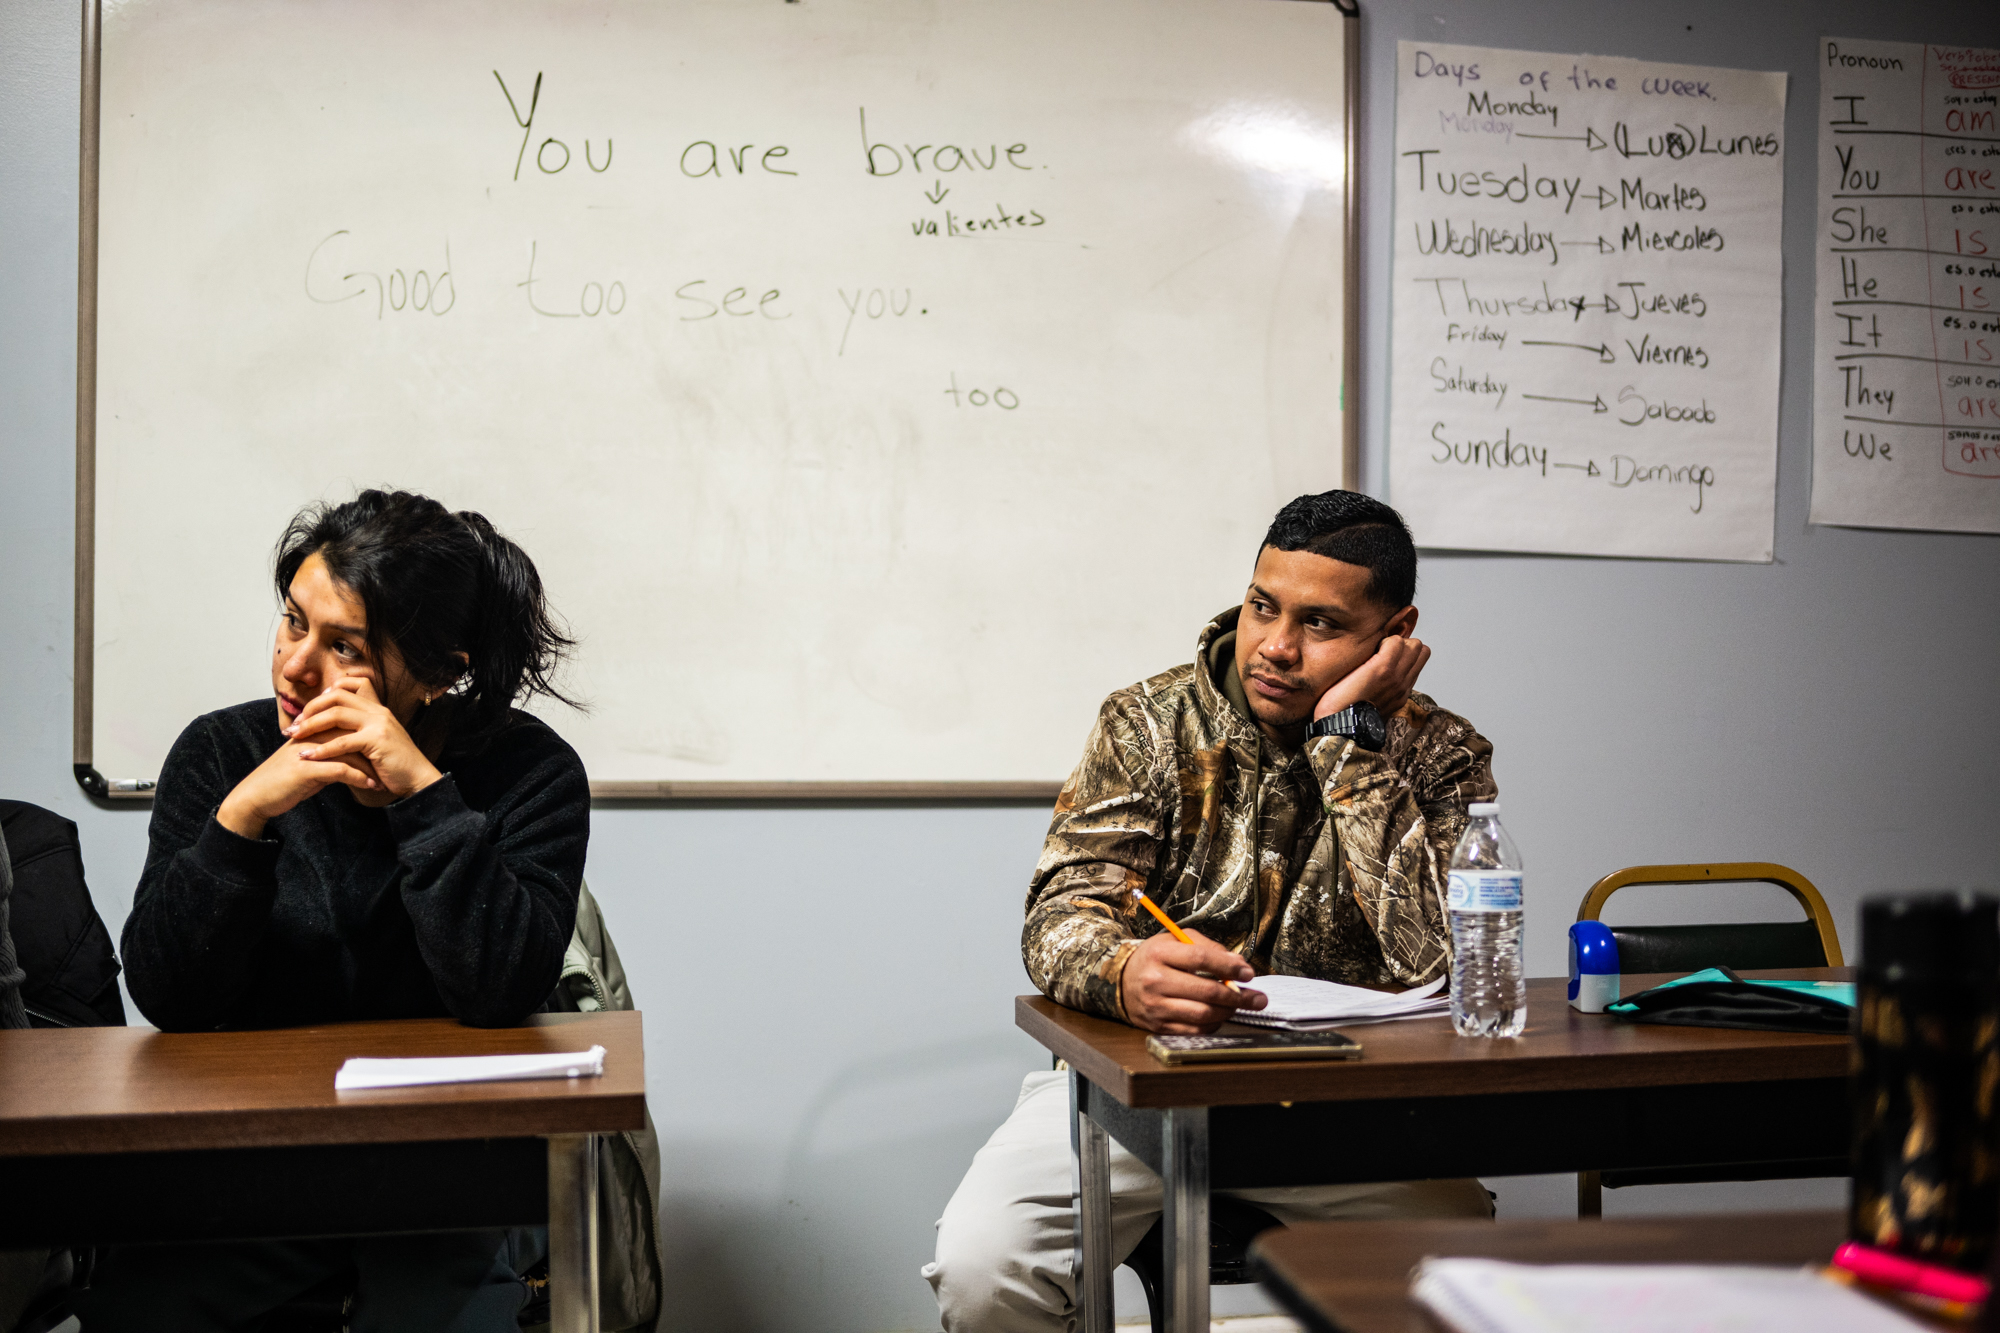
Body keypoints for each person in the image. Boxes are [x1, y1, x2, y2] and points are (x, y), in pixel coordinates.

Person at [925, 490, 1499, 1333]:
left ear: (1395, 633)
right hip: (1139, 1095)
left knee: (1470, 1286)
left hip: (1348, 1111)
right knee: (984, 1270)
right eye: (1264, 605)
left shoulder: (1441, 753)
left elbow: (1447, 962)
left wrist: (1348, 746)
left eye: (1320, 622)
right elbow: (1059, 914)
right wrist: (1125, 970)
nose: (1276, 646)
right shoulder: (1147, 722)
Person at [74, 489, 589, 1333]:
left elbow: (499, 988)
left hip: (454, 1170)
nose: (294, 666)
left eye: (342, 646)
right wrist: (243, 817)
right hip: (257, 1166)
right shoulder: (222, 753)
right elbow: (168, 996)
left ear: (439, 673)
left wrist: (422, 794)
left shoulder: (531, 774)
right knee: (134, 1309)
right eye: (292, 621)